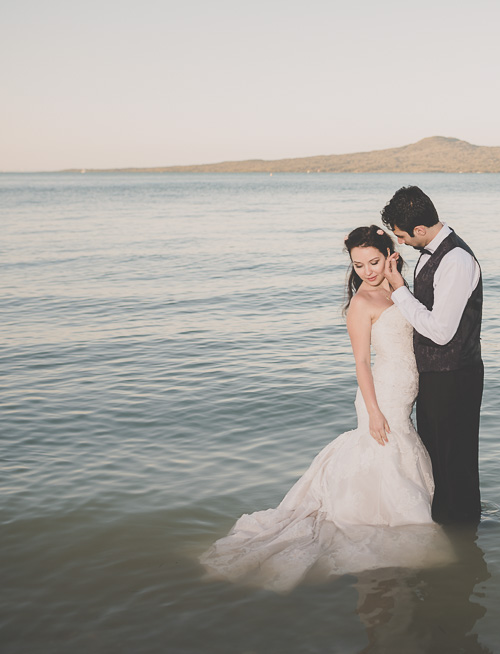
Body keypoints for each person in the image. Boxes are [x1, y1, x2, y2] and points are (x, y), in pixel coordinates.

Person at [199, 226, 451, 592]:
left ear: (389, 254)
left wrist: (397, 280)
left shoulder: (398, 288)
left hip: (404, 389)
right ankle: (384, 535)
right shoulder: (362, 303)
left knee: (400, 452)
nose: (367, 270)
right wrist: (374, 411)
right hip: (381, 394)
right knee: (384, 454)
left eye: (375, 261)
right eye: (359, 264)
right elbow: (362, 363)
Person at [381, 186, 483, 524]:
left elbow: (441, 330)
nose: (401, 242)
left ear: (420, 230)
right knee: (438, 459)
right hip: (435, 374)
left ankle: (463, 531)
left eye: (401, 236)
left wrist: (398, 291)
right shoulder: (431, 252)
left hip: (454, 374)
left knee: (456, 462)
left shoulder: (455, 259)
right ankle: (450, 533)